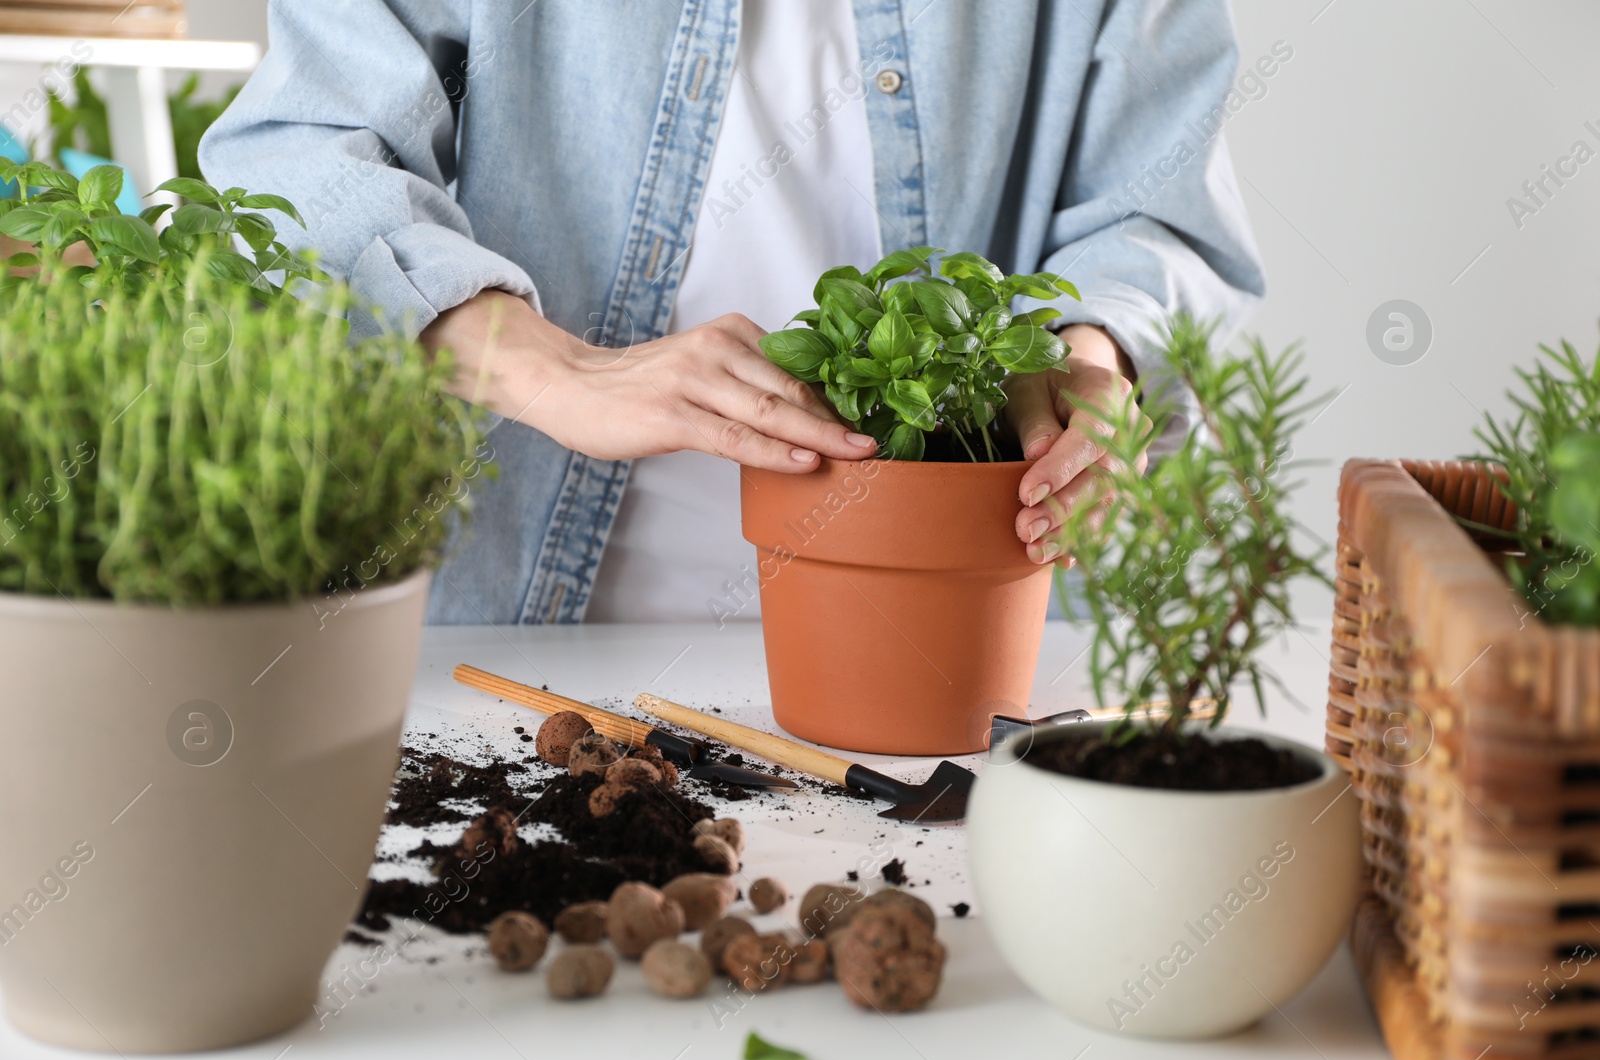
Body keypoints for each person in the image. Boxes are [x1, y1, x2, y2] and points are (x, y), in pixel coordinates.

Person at [200, 0, 1264, 626]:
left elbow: (1157, 209)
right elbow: (302, 154)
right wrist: (543, 365)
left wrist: (1094, 358)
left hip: (947, 661)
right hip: (518, 647)